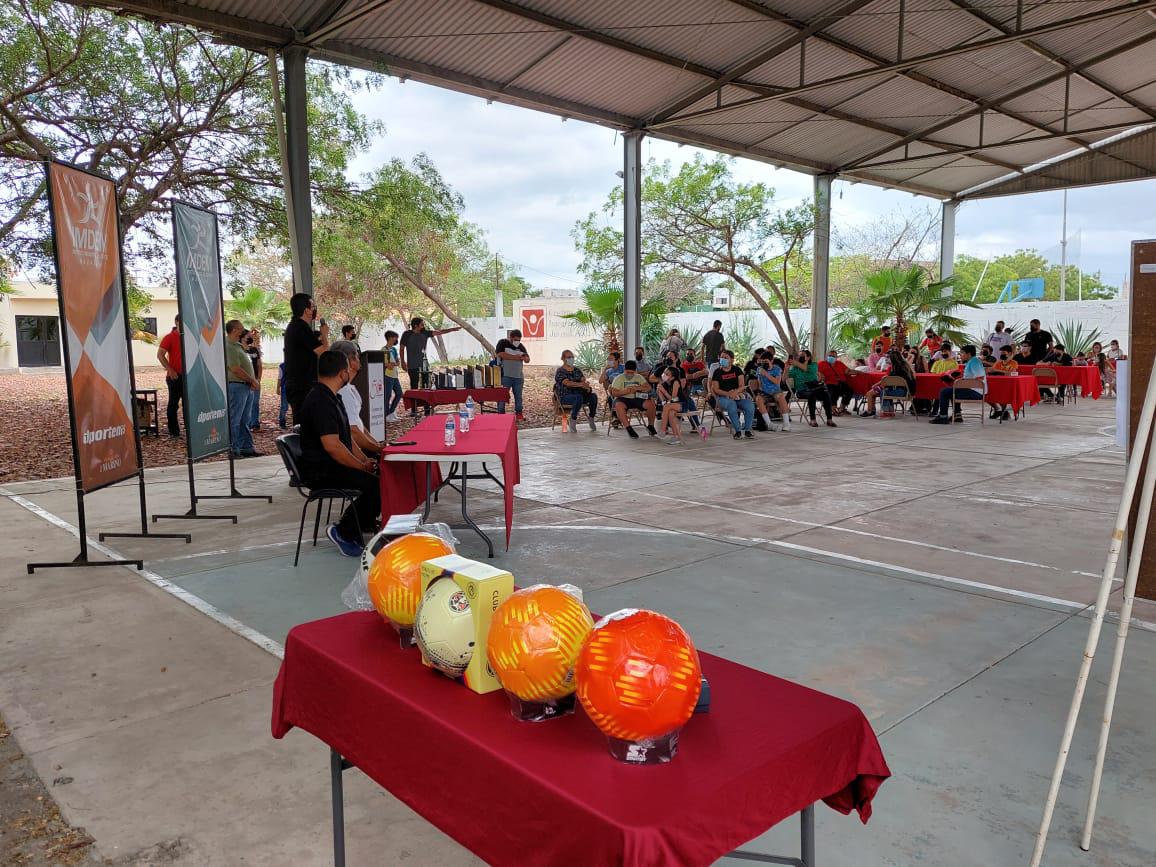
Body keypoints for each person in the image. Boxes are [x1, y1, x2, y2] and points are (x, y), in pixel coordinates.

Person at [297, 350, 380, 557]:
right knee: (375, 485)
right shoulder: (320, 401)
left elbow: (347, 439)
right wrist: (360, 467)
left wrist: (365, 460)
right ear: (343, 373)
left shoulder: (333, 397)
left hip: (331, 464)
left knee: (379, 475)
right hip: (320, 470)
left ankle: (364, 524)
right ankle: (344, 530)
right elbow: (333, 446)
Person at [329, 340, 384, 457]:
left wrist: (377, 446)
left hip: (358, 448)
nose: (359, 360)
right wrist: (377, 450)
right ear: (351, 362)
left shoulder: (349, 388)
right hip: (352, 452)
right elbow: (353, 432)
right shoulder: (343, 391)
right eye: (357, 357)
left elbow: (360, 426)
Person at [283, 293, 329, 423]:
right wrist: (325, 335)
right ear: (306, 310)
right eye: (313, 306)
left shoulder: (299, 326)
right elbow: (324, 353)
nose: (314, 309)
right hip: (301, 385)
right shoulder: (300, 327)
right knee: (304, 425)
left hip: (302, 384)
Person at [399, 316, 461, 400]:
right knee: (414, 387)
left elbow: (439, 332)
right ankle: (414, 409)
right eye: (422, 324)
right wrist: (402, 361)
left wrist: (452, 329)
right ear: (416, 325)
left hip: (424, 365)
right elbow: (402, 348)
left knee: (426, 387)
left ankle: (427, 409)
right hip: (412, 365)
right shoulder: (407, 334)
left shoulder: (425, 333)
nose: (423, 326)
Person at [225, 319, 261, 457]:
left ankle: (247, 447)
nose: (243, 330)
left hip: (245, 386)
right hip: (237, 386)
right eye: (240, 328)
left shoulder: (237, 345)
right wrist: (252, 379)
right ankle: (234, 449)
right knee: (235, 419)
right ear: (234, 330)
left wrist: (251, 381)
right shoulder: (229, 346)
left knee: (245, 419)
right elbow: (235, 369)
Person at [930, 344, 986, 424]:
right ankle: (957, 415)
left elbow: (980, 378)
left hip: (976, 392)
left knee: (944, 392)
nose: (960, 355)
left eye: (962, 353)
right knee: (952, 390)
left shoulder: (974, 362)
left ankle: (943, 416)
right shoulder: (972, 362)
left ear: (968, 354)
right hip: (973, 390)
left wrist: (961, 382)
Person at [711, 350, 754, 439]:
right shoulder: (717, 372)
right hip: (723, 398)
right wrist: (728, 394)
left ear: (732, 360)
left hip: (737, 396)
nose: (723, 359)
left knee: (749, 405)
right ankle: (737, 431)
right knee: (731, 404)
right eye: (721, 357)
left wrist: (735, 392)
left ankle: (748, 430)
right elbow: (716, 389)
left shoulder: (737, 370)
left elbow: (742, 386)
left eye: (726, 358)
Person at [860, 348, 915, 418]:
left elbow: (886, 380)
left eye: (888, 358)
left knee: (876, 392)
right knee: (875, 392)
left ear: (892, 359)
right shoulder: (906, 367)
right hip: (908, 392)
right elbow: (887, 380)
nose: (886, 359)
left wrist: (875, 385)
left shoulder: (896, 369)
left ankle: (881, 412)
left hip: (900, 392)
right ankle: (883, 411)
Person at [610, 360, 657, 439]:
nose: (630, 375)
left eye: (632, 373)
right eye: (627, 373)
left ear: (635, 371)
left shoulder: (639, 377)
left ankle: (651, 425)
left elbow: (648, 388)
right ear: (624, 370)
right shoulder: (619, 378)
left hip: (636, 398)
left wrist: (638, 388)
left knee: (650, 404)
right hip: (623, 398)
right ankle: (628, 428)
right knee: (618, 405)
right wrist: (624, 391)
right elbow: (614, 393)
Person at [554, 350, 599, 432]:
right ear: (563, 359)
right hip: (565, 396)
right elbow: (567, 383)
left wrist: (586, 385)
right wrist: (580, 384)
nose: (571, 359)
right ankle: (573, 419)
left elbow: (583, 380)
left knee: (593, 397)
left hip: (579, 394)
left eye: (572, 357)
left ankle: (591, 417)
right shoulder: (560, 371)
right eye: (568, 357)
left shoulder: (577, 370)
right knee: (578, 397)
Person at [157, 315, 184, 437]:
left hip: (190, 377)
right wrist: (170, 370)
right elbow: (160, 355)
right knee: (173, 404)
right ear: (177, 322)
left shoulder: (190, 337)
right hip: (175, 377)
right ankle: (174, 432)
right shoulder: (169, 337)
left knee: (189, 405)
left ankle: (191, 430)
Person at [494, 329, 529, 419]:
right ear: (511, 337)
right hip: (505, 376)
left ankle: (519, 413)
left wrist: (525, 358)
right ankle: (501, 414)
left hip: (518, 376)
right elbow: (500, 354)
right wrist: (516, 357)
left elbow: (527, 359)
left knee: (518, 396)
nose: (517, 342)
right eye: (515, 339)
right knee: (502, 396)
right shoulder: (502, 343)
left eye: (519, 340)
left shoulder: (521, 347)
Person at [754, 352, 791, 432]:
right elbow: (759, 384)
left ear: (772, 360)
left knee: (781, 397)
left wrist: (766, 374)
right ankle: (769, 424)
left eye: (766, 362)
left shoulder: (777, 369)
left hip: (776, 391)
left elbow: (777, 382)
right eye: (763, 362)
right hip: (764, 392)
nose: (764, 364)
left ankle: (786, 423)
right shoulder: (759, 369)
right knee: (758, 399)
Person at [656, 366, 687, 444]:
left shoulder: (676, 382)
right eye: (664, 373)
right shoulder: (665, 383)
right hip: (672, 405)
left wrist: (664, 391)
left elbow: (673, 399)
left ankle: (663, 430)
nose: (664, 375)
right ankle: (676, 437)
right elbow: (659, 392)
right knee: (670, 413)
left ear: (672, 377)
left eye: (667, 374)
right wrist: (663, 399)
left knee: (666, 407)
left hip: (682, 404)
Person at [988, 345, 1019, 421]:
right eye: (1001, 353)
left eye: (1004, 353)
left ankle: (1004, 411)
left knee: (1001, 394)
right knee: (986, 393)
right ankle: (998, 410)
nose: (1002, 354)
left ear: (1010, 353)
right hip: (997, 385)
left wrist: (998, 371)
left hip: (1009, 387)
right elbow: (991, 370)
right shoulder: (998, 363)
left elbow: (1012, 373)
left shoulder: (1013, 363)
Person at [819, 350, 853, 415]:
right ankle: (833, 409)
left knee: (849, 390)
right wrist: (820, 375)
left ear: (836, 357)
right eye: (830, 356)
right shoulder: (821, 364)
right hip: (828, 383)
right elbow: (816, 373)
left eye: (833, 356)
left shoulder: (839, 363)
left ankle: (842, 408)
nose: (831, 357)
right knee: (832, 390)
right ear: (826, 356)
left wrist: (860, 372)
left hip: (840, 383)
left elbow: (848, 371)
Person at [242, 327, 263, 431]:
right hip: (244, 381)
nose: (251, 337)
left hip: (255, 380)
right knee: (246, 403)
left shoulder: (254, 350)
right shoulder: (239, 350)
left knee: (255, 402)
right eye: (248, 336)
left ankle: (255, 422)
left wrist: (258, 379)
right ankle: (247, 424)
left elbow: (259, 365)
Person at [382, 330, 404, 422]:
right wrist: (393, 363)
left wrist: (394, 363)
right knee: (387, 396)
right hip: (388, 375)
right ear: (390, 338)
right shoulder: (384, 350)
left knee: (399, 393)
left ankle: (391, 412)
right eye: (395, 337)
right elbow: (388, 365)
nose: (396, 339)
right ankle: (386, 415)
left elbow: (397, 362)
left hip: (395, 375)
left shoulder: (394, 349)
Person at [276, 361, 289, 429]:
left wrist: (278, 388)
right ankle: (282, 422)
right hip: (285, 387)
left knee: (284, 406)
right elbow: (280, 378)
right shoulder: (282, 365)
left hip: (289, 387)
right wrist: (278, 388)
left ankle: (282, 422)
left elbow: (279, 378)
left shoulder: (282, 365)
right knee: (284, 406)